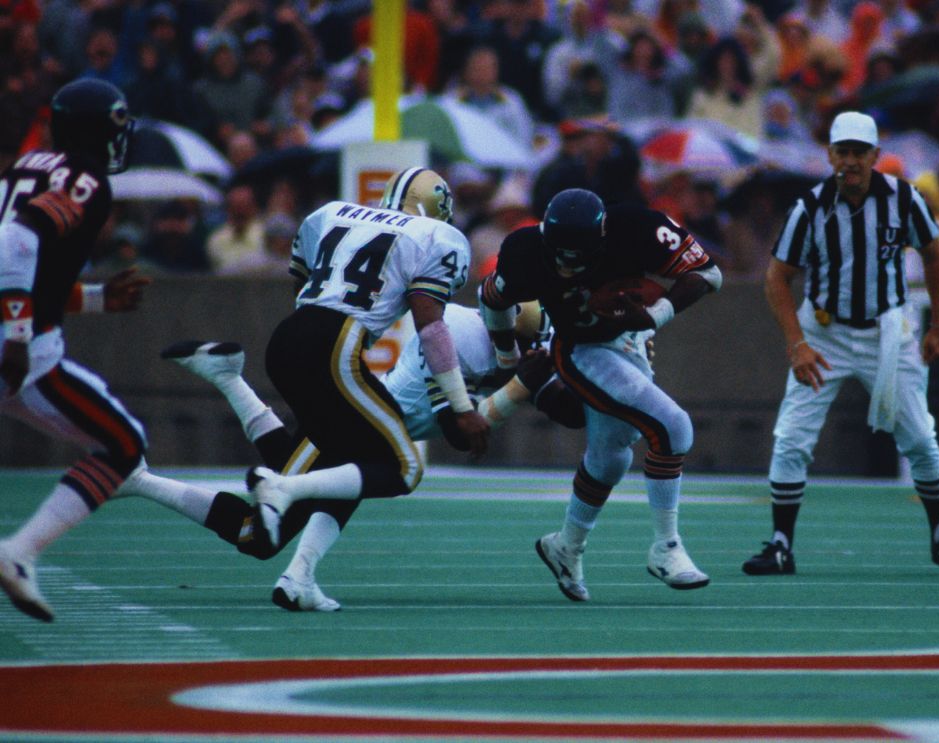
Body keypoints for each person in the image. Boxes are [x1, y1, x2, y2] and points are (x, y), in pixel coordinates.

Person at [135, 300, 581, 611]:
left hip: (373, 429)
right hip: (360, 420)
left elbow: (567, 412)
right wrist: (519, 388)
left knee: (329, 480)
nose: (522, 352)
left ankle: (299, 578)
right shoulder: (460, 333)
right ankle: (140, 480)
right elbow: (461, 434)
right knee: (258, 535)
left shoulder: (527, 344)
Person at [741, 111, 939, 578]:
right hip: (825, 330)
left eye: (859, 153)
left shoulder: (905, 199)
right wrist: (796, 344)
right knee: (792, 436)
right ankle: (780, 543)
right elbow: (777, 277)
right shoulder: (810, 207)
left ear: (875, 156)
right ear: (830, 155)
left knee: (919, 437)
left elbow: (934, 254)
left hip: (888, 329)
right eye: (843, 152)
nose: (850, 162)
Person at [479, 188, 722, 601]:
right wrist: (507, 359)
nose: (569, 265)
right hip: (580, 349)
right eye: (561, 254)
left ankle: (565, 546)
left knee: (609, 459)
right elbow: (492, 298)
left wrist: (652, 317)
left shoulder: (636, 227)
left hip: (628, 339)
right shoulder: (525, 249)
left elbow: (709, 274)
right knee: (672, 426)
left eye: (580, 254)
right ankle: (666, 548)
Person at [243, 167, 492, 548]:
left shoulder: (330, 214)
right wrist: (461, 405)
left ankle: (296, 572)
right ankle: (280, 486)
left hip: (287, 338)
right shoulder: (436, 236)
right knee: (404, 467)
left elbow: (303, 281)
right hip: (336, 344)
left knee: (330, 456)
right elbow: (431, 326)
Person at [0, 79, 154, 621]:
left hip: (15, 333)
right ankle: (18, 552)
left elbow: (24, 265)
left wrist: (92, 299)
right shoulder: (84, 179)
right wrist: (17, 335)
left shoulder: (26, 167)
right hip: (20, 351)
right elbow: (15, 244)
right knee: (124, 443)